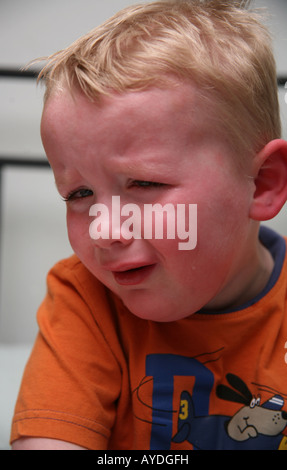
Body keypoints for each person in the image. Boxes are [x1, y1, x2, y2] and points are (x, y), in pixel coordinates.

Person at [11, 0, 287, 450]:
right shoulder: (87, 299)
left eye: (144, 183)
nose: (104, 230)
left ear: (260, 185)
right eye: (79, 194)